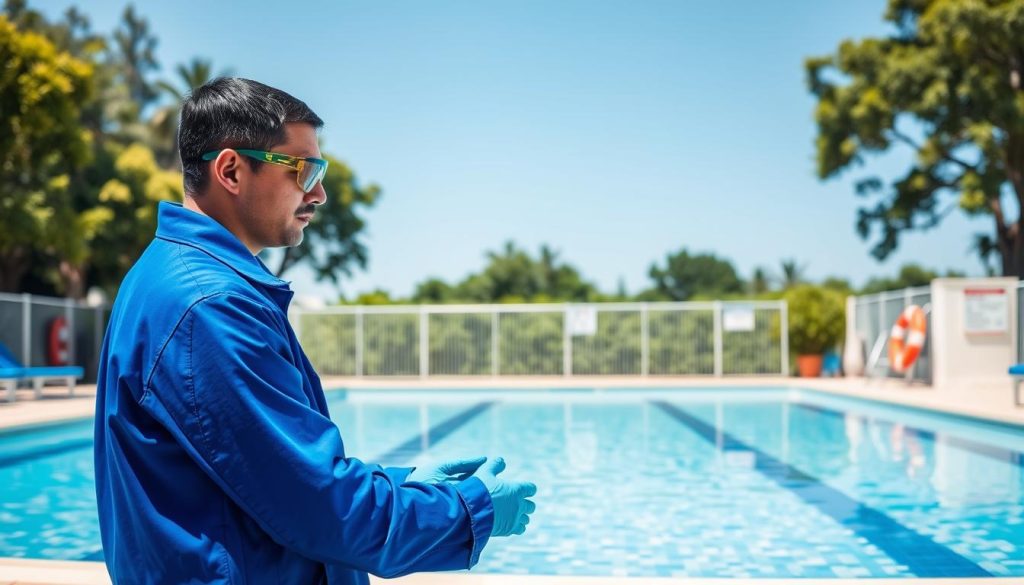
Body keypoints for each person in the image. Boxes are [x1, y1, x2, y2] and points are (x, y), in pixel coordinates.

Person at [93, 77, 537, 584]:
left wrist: (406, 487)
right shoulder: (211, 307)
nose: (319, 192)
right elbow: (320, 509)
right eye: (304, 169)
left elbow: (268, 477)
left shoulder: (174, 278)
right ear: (232, 170)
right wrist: (466, 511)